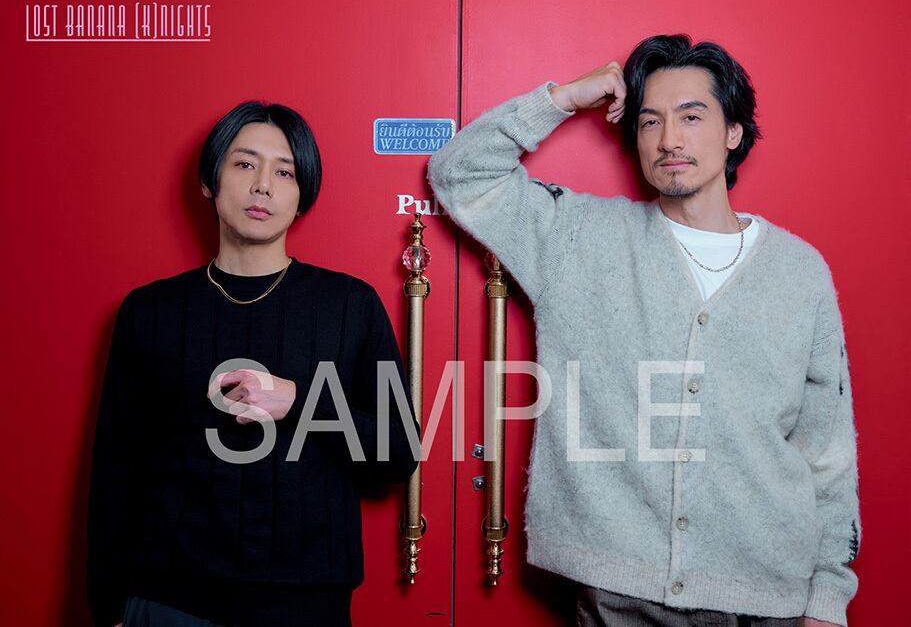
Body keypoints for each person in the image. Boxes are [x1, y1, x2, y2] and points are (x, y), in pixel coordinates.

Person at [427, 34, 860, 626]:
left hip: (767, 596)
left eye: (691, 116)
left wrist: (829, 596)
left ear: (734, 132)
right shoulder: (578, 237)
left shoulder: (799, 271)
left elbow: (827, 449)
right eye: (650, 121)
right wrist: (561, 99)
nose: (669, 139)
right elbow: (460, 174)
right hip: (620, 595)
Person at [86, 101, 419, 627]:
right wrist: (109, 606)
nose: (263, 186)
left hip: (304, 603)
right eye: (245, 164)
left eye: (284, 172)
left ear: (302, 195)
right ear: (208, 181)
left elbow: (399, 454)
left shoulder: (350, 305)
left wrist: (301, 401)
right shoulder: (149, 312)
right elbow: (116, 471)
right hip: (168, 598)